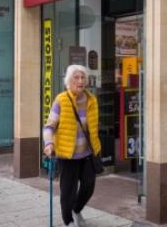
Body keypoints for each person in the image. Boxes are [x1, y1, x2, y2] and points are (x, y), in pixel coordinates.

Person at [43, 64, 101, 227]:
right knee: (68, 191)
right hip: (67, 155)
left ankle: (77, 209)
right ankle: (68, 221)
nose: (80, 80)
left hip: (88, 154)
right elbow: (49, 126)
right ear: (68, 81)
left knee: (89, 186)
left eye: (83, 77)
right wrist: (49, 143)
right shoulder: (61, 100)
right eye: (76, 77)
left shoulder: (91, 100)